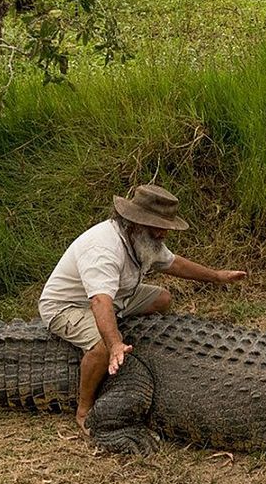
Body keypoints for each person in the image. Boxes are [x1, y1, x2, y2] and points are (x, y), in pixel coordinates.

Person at [39, 184, 247, 433]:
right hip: (69, 306)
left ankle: (117, 331)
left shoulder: (143, 239)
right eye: (158, 227)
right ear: (136, 222)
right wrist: (115, 342)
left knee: (162, 299)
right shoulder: (103, 248)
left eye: (166, 227)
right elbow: (99, 301)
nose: (164, 234)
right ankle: (85, 410)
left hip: (117, 298)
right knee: (102, 347)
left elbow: (174, 264)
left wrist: (216, 276)